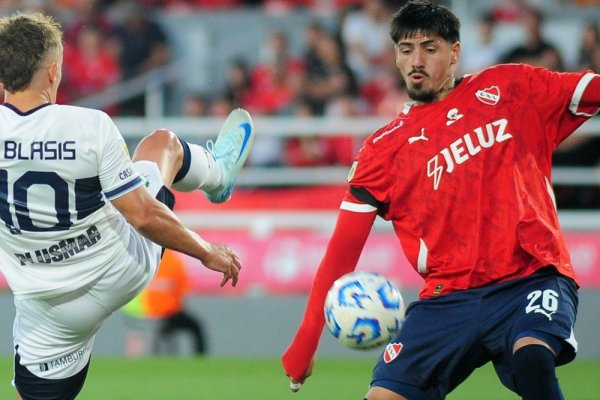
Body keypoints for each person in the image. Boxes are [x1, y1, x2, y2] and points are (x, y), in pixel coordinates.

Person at [282, 1, 598, 399]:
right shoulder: (382, 150)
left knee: (531, 356)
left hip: (531, 277)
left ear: (454, 53)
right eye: (406, 49)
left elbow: (594, 89)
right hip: (448, 300)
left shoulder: (511, 87)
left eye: (430, 49)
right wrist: (307, 340)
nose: (417, 61)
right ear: (395, 56)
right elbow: (340, 255)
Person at [0, 12, 254, 400]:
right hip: (118, 268)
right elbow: (142, 215)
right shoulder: (89, 125)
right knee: (161, 144)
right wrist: (206, 251)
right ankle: (218, 174)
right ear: (53, 72)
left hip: (47, 307)